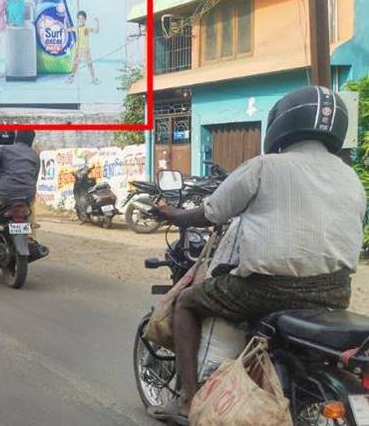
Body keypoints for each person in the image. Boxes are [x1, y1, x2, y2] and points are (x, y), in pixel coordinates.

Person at [150, 86, 365, 422]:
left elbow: (210, 213)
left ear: (281, 125)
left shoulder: (264, 166)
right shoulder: (350, 177)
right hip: (334, 293)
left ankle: (188, 400)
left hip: (267, 290)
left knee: (188, 302)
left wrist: (172, 214)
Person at [66, 11, 99, 85]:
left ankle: (94, 78)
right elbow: (67, 30)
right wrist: (64, 25)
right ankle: (71, 78)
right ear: (77, 19)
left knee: (89, 64)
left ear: (85, 19)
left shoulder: (87, 28)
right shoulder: (76, 28)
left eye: (82, 18)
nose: (81, 20)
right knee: (75, 64)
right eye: (79, 18)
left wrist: (97, 22)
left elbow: (97, 31)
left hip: (86, 50)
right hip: (78, 49)